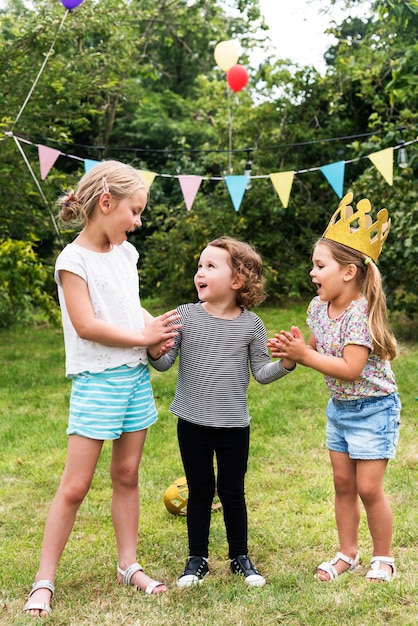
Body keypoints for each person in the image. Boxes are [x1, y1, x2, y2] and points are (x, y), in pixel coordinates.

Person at [23, 160, 182, 617]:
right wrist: (145, 336)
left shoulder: (126, 254)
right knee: (75, 485)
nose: (138, 221)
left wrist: (161, 325)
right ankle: (43, 580)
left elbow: (128, 308)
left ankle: (128, 565)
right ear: (105, 203)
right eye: (134, 211)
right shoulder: (72, 260)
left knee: (127, 475)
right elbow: (88, 324)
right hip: (98, 383)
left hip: (133, 379)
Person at [148, 236, 296, 588]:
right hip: (192, 423)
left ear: (237, 281)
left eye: (210, 266)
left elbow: (261, 373)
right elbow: (166, 363)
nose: (200, 272)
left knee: (232, 492)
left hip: (233, 427)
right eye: (199, 266)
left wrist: (287, 363)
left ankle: (239, 557)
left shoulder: (251, 325)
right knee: (199, 492)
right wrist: (154, 348)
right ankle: (196, 559)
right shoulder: (184, 316)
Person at [268, 192, 401, 583]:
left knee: (368, 488)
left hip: (374, 409)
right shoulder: (316, 307)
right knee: (343, 484)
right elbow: (316, 345)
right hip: (340, 410)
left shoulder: (360, 313)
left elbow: (351, 368)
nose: (312, 272)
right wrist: (294, 350)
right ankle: (347, 553)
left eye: (319, 265)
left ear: (347, 272)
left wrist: (306, 357)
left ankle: (384, 557)